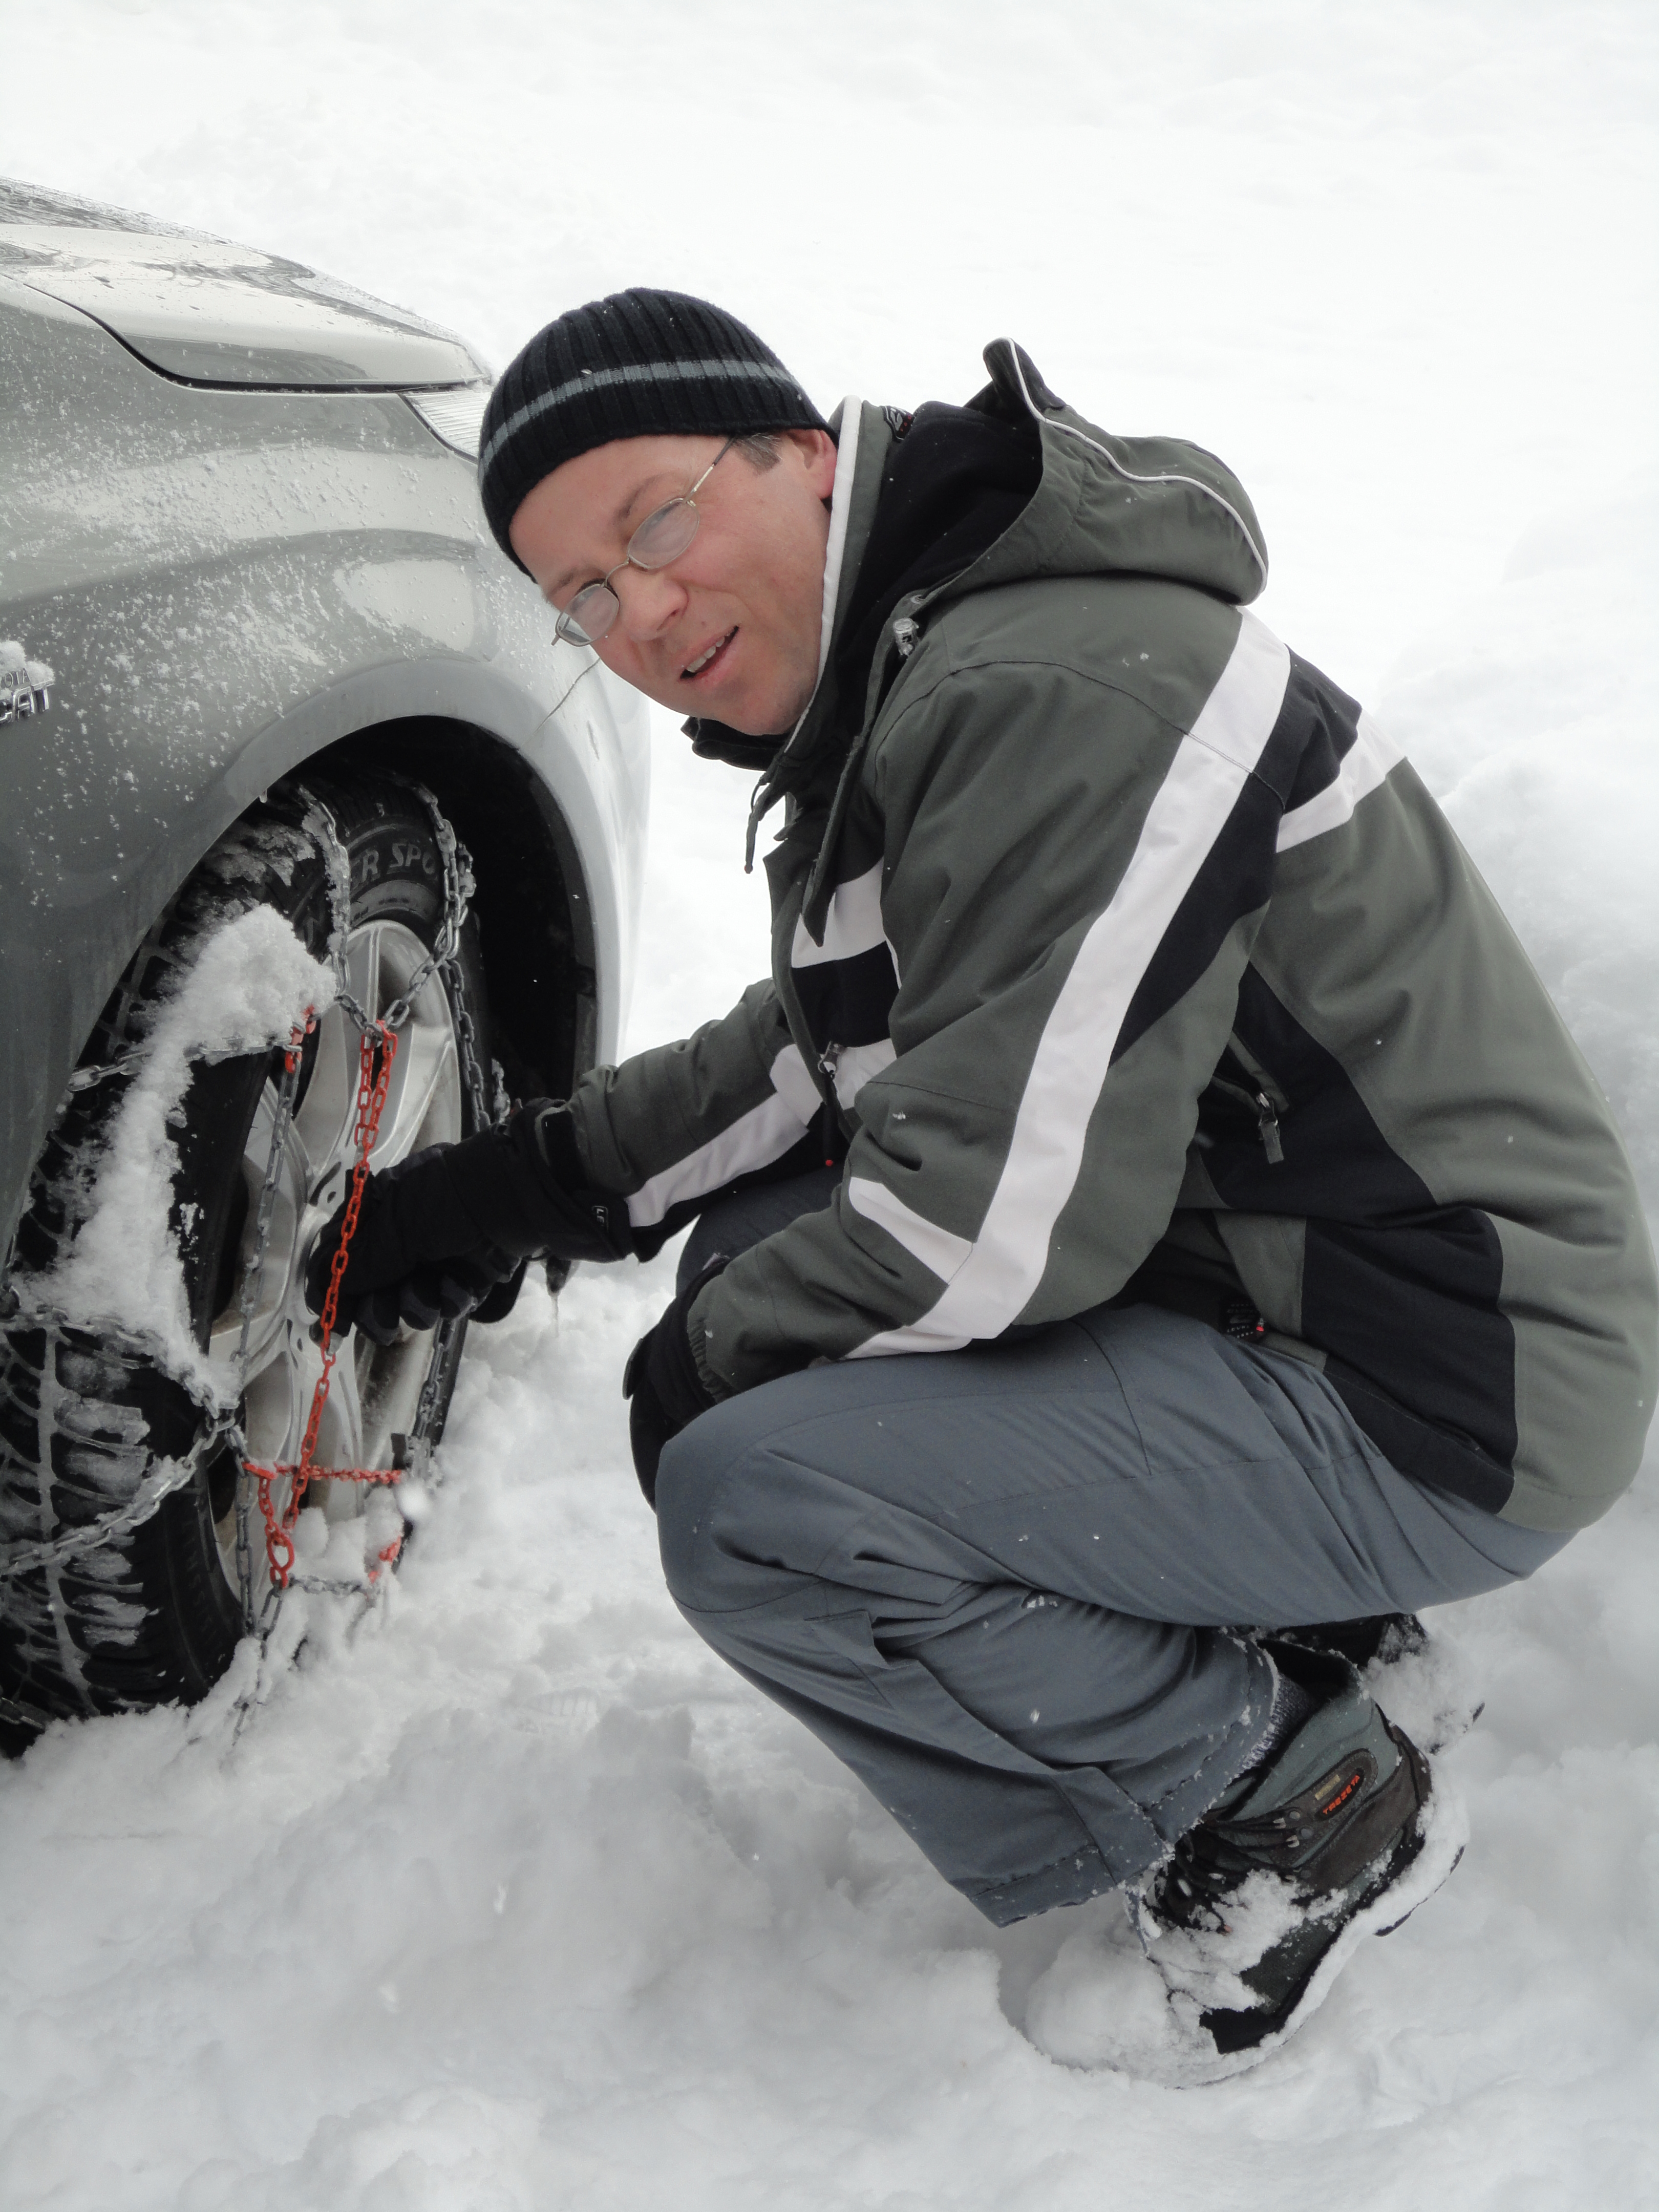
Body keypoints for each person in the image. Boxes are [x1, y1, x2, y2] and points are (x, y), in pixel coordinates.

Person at [308, 288, 1657, 2076]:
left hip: (1448, 1383)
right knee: (762, 1259)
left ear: (800, 454)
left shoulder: (1045, 692)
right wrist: (528, 1188)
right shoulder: (930, 665)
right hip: (1307, 1285)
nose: (644, 615)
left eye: (657, 525)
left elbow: (995, 1232)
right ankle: (1312, 1631)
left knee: (757, 1496)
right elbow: (824, 1048)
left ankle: (1296, 1796)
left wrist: (711, 1367)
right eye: (585, 600)